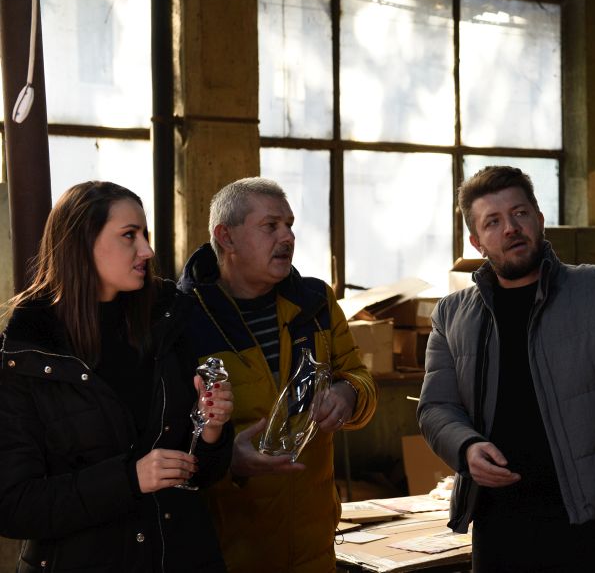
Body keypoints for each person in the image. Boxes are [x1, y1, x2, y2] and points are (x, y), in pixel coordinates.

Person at [418, 165, 595, 572]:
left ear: (539, 220)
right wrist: (465, 447)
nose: (511, 227)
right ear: (476, 242)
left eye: (520, 213)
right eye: (493, 221)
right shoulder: (451, 315)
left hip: (588, 520)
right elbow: (436, 407)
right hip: (498, 522)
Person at [0, 181, 235, 572]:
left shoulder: (167, 323)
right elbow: (13, 506)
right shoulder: (26, 354)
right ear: (81, 243)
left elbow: (202, 476)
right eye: (129, 235)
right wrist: (129, 479)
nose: (147, 251)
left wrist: (210, 430)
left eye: (145, 234)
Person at [178, 176, 378, 572]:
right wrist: (225, 460)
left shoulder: (315, 303)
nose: (287, 237)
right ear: (226, 237)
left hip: (314, 548)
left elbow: (359, 376)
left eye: (289, 225)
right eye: (270, 226)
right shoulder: (185, 319)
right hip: (228, 553)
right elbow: (165, 436)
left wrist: (349, 394)